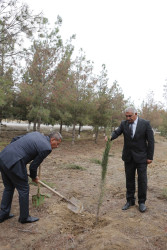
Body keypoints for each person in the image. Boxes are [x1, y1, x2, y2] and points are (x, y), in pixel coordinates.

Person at [0, 131, 62, 223]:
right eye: (57, 144)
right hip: (15, 162)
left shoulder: (36, 134)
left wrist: (14, 153)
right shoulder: (47, 148)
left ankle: (3, 214)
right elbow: (33, 166)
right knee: (24, 189)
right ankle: (24, 218)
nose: (57, 146)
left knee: (9, 187)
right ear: (52, 139)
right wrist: (34, 177)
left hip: (3, 156)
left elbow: (15, 139)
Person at [108, 106, 154, 212]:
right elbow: (117, 132)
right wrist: (110, 137)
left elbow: (150, 141)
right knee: (129, 179)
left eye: (130, 116)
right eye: (126, 116)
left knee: (142, 180)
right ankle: (130, 200)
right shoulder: (124, 124)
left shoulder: (145, 124)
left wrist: (150, 157)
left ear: (136, 114)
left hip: (142, 157)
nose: (128, 118)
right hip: (128, 157)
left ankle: (142, 202)